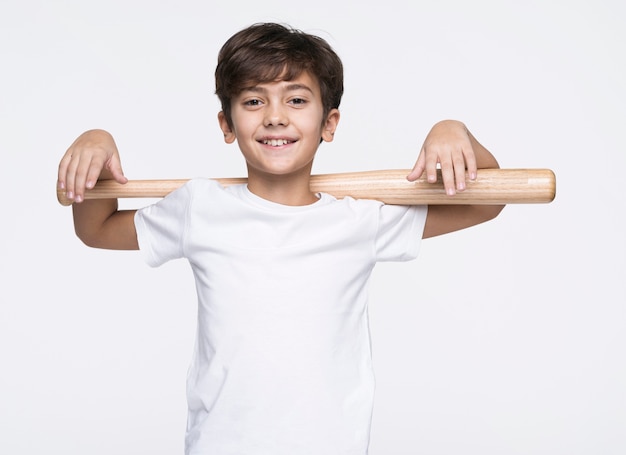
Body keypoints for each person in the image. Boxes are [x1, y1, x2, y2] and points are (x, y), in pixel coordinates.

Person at [57, 22, 504, 455]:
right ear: (226, 124)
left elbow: (490, 199)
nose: (274, 117)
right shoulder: (200, 208)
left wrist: (454, 131)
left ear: (329, 123)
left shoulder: (360, 221)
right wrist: (94, 143)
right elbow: (95, 228)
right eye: (253, 101)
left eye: (296, 99)